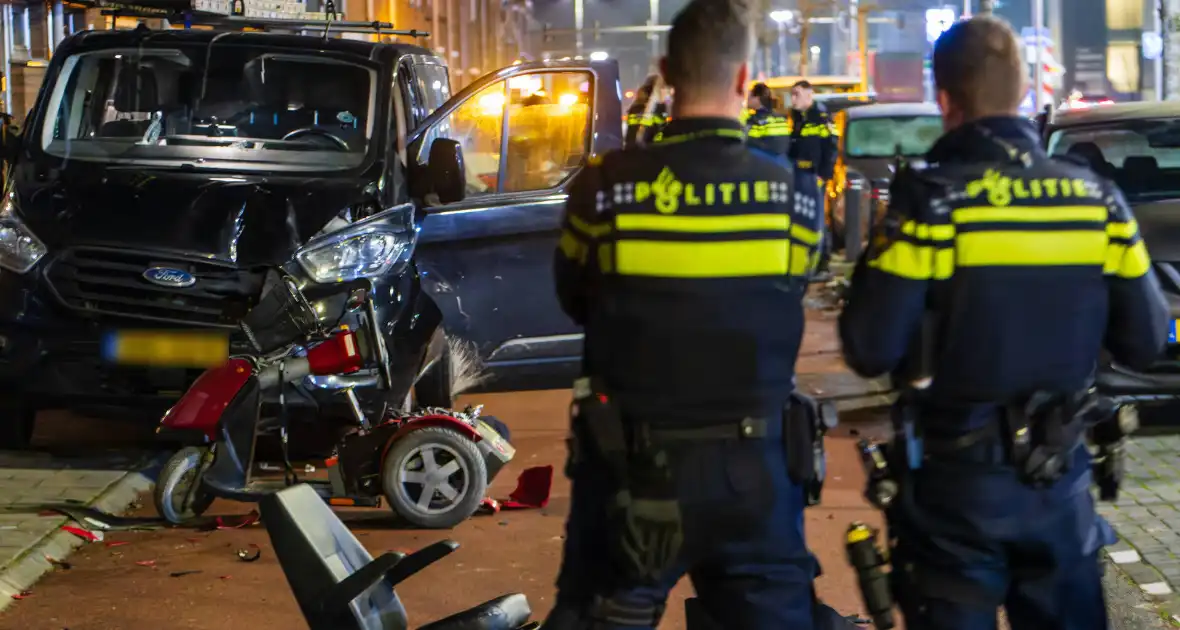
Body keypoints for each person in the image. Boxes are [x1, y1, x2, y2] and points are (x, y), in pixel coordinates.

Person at [839, 16, 1168, 630]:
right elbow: (1145, 341)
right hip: (1059, 482)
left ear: (944, 100)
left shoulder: (932, 202)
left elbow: (868, 346)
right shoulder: (1097, 201)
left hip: (953, 490)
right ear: (1022, 91)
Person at [545, 0, 835, 627]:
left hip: (631, 476)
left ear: (665, 73)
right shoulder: (796, 200)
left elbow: (574, 297)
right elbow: (792, 286)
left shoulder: (604, 190)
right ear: (742, 79)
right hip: (754, 476)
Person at [787, 79, 837, 275]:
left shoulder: (821, 117)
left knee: (817, 218)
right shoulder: (799, 118)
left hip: (814, 176)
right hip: (799, 175)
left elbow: (831, 148)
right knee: (803, 218)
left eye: (796, 94)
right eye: (792, 94)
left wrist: (823, 176)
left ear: (809, 95)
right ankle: (808, 260)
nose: (793, 99)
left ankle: (822, 261)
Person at [744, 82, 791, 164]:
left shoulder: (755, 120)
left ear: (757, 98)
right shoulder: (781, 118)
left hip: (763, 165)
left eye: (750, 97)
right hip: (782, 165)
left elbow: (748, 142)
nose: (747, 100)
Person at [624, 75, 671, 149]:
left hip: (632, 150)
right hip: (651, 151)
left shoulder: (635, 108)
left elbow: (630, 133)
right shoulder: (659, 108)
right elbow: (660, 132)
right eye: (663, 89)